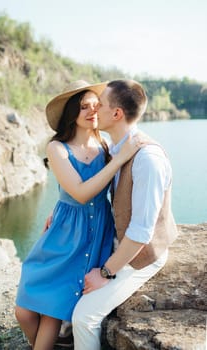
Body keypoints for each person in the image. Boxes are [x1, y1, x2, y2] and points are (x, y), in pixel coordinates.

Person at [15, 80, 140, 350]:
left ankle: (48, 344)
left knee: (50, 315)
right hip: (63, 233)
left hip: (93, 234)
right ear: (72, 112)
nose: (92, 111)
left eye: (96, 106)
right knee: (23, 313)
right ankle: (51, 342)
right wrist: (59, 205)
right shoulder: (57, 148)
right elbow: (80, 193)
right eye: (84, 107)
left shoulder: (106, 148)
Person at [71, 79, 178, 350]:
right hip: (120, 241)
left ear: (116, 114)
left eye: (100, 105)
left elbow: (142, 233)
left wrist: (105, 273)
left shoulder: (147, 160)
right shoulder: (115, 150)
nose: (94, 110)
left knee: (83, 317)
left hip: (142, 255)